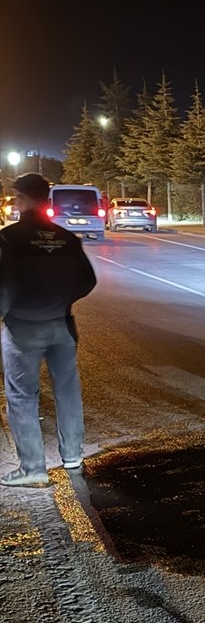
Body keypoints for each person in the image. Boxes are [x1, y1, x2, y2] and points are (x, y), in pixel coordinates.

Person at [0, 173, 98, 487]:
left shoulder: (9, 239)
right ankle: (72, 456)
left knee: (21, 396)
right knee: (67, 390)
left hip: (23, 328)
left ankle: (32, 467)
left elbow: (4, 283)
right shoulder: (67, 238)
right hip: (62, 325)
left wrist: (6, 311)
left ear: (23, 199)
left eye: (17, 197)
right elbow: (88, 281)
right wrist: (63, 300)